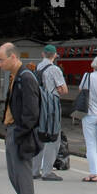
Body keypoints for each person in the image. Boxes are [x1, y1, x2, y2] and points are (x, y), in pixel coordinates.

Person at [0, 42, 43, 194]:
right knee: (14, 177)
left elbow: (32, 113)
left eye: (1, 59)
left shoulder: (25, 78)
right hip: (13, 131)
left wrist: (18, 134)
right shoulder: (15, 76)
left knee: (23, 180)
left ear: (13, 57)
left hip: (20, 134)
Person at [32, 45, 67, 181]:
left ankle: (34, 170)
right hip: (51, 106)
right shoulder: (54, 69)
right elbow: (63, 90)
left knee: (39, 135)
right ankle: (47, 171)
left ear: (43, 54)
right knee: (53, 137)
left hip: (39, 104)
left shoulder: (37, 68)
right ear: (54, 56)